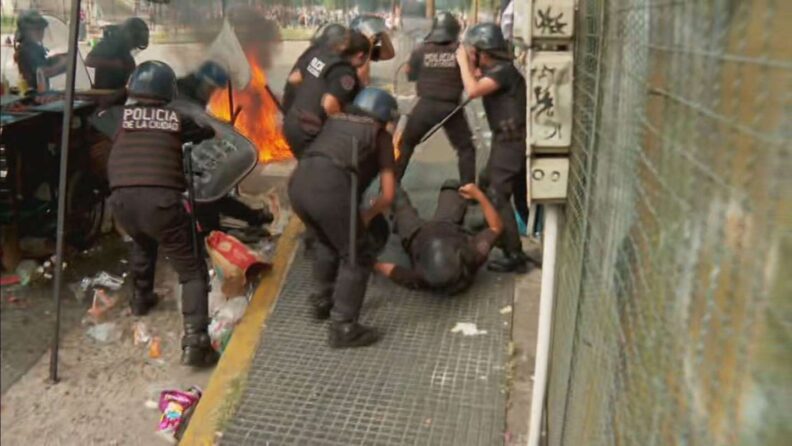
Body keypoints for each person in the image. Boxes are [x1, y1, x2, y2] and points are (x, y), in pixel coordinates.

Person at [107, 61, 218, 366]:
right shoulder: (175, 117)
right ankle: (196, 342)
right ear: (168, 91)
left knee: (143, 239)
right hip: (161, 201)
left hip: (121, 202)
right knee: (192, 269)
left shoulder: (123, 118)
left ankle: (141, 299)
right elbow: (206, 131)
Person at [288, 87, 398, 348]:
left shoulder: (335, 121)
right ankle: (343, 326)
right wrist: (368, 215)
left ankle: (321, 301)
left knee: (326, 241)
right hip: (330, 190)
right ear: (384, 117)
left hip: (298, 185)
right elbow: (388, 195)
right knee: (357, 254)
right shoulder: (379, 135)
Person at [456, 23, 530, 273]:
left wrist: (462, 61)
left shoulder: (503, 71)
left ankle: (514, 253)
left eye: (474, 51)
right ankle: (499, 225)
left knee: (497, 194)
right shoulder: (499, 69)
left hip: (511, 143)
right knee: (492, 182)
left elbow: (474, 90)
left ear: (483, 51)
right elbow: (478, 80)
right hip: (508, 141)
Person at [375, 180, 503, 295]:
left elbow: (390, 269)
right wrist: (479, 195)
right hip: (447, 225)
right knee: (452, 186)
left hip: (415, 234)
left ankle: (387, 183)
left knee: (399, 202)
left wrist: (370, 263)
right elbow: (496, 227)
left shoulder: (421, 278)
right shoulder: (474, 256)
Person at [394, 11, 476, 185]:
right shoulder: (460, 51)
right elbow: (469, 76)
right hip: (451, 108)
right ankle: (468, 190)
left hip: (425, 106)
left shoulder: (421, 50)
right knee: (465, 148)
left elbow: (411, 75)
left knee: (406, 144)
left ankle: (390, 187)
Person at [282, 30, 371, 158]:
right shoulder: (344, 72)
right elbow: (329, 104)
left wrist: (314, 89)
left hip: (292, 124)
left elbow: (294, 78)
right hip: (309, 131)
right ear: (361, 55)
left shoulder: (320, 56)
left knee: (307, 169)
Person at [282, 23, 349, 114]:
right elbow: (329, 104)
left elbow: (293, 79)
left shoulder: (315, 54)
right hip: (310, 119)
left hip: (293, 112)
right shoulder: (339, 66)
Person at [85, 17, 149, 90]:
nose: (133, 47)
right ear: (129, 36)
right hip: (104, 93)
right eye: (134, 43)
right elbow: (89, 60)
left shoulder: (125, 51)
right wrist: (114, 64)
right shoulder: (110, 43)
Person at [13, 10, 67, 94]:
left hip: (40, 92)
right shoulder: (27, 50)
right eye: (37, 29)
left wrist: (59, 58)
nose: (41, 32)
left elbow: (45, 62)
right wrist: (63, 63)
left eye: (41, 28)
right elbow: (43, 71)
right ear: (26, 31)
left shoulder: (34, 47)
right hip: (34, 95)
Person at [350, 15, 395, 85]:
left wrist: (381, 32)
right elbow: (363, 78)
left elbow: (389, 54)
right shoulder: (349, 52)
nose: (371, 35)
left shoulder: (366, 49)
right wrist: (369, 44)